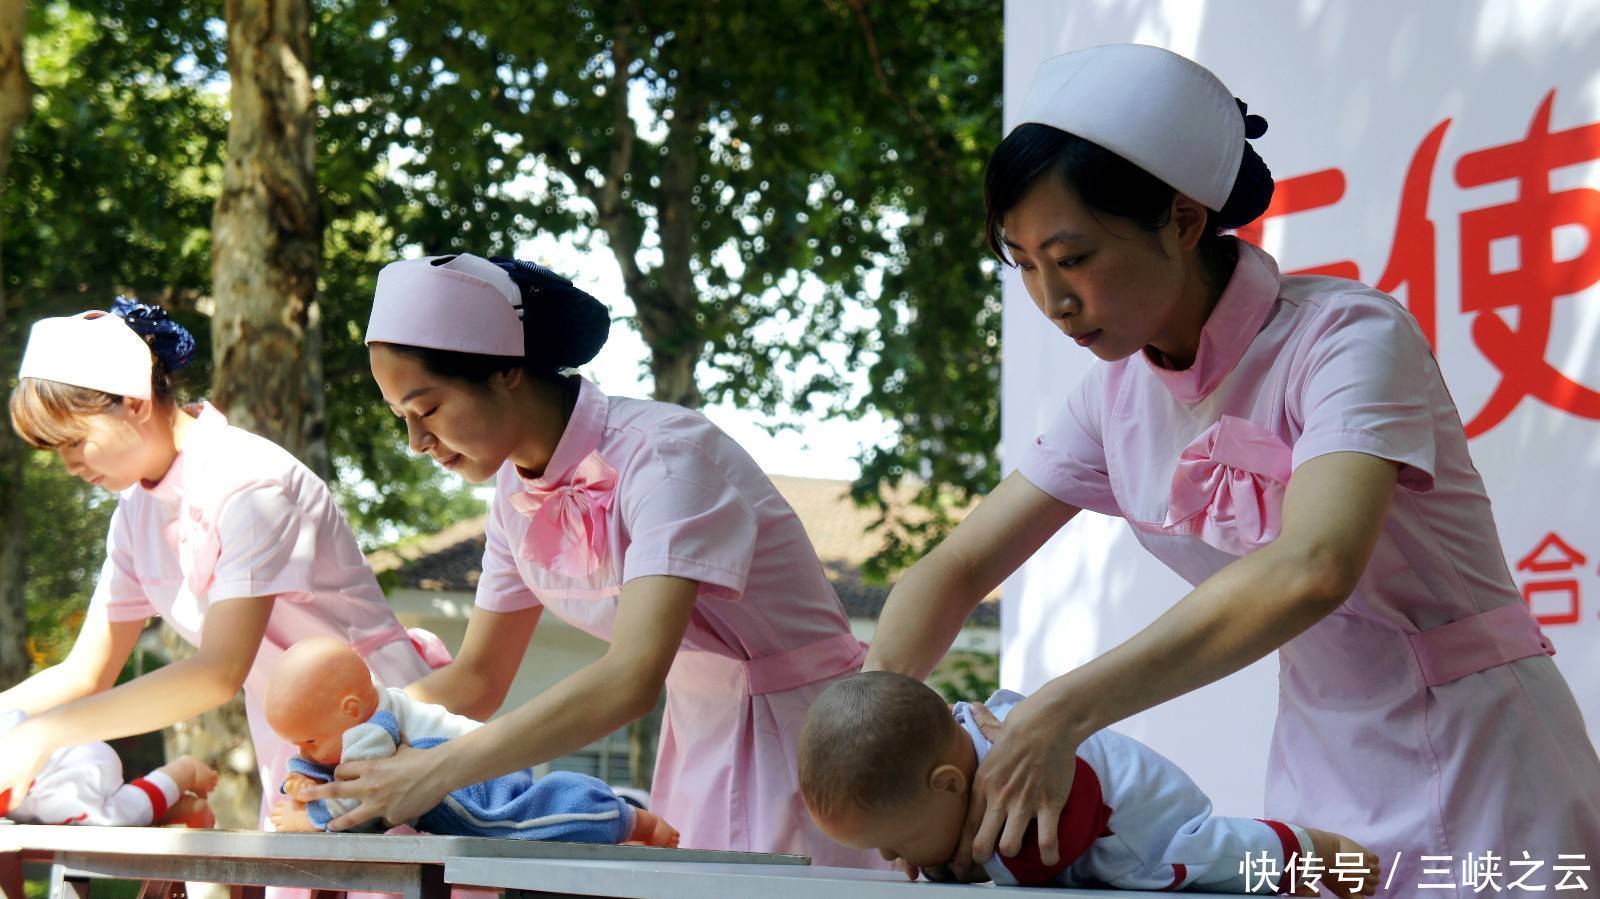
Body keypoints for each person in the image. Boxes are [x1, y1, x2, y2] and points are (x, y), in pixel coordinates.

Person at [863, 43, 1600, 893]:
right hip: (1322, 764)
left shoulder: (1348, 339)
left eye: (1073, 259)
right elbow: (958, 565)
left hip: (1484, 756)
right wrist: (875, 734)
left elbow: (1313, 567)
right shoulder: (1114, 398)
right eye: (1024, 265)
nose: (1052, 300)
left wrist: (1063, 710)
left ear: (1181, 220)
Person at [301, 253, 878, 866]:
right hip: (699, 746)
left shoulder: (668, 458)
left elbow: (630, 678)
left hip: (820, 740)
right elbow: (478, 678)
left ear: (505, 370)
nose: (416, 443)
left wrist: (436, 770)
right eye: (401, 419)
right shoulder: (513, 495)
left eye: (428, 409)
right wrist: (345, 744)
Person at [1, 301, 447, 828]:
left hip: (380, 722)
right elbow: (87, 671)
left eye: (75, 441)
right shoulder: (135, 514)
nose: (70, 464)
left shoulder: (250, 483)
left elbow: (216, 673)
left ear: (135, 402)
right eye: (56, 450)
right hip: (298, 744)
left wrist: (46, 732)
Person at [799, 672, 1379, 895]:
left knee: (1209, 860)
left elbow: (1052, 848)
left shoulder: (1024, 786)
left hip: (1140, 829)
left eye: (895, 843)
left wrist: (964, 862)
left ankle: (1313, 850)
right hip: (1101, 829)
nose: (889, 856)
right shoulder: (944, 741)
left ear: (949, 785)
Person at [265, 637, 678, 846]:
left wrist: (312, 819)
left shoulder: (373, 732)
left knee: (528, 820)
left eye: (309, 742)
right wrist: (303, 780)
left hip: (480, 779)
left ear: (351, 710)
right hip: (452, 773)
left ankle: (621, 817)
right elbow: (329, 768)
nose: (303, 752)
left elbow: (357, 805)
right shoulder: (357, 713)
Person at [0, 708, 218, 828]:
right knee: (91, 825)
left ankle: (185, 771)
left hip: (67, 770)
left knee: (112, 823)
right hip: (55, 762)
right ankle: (174, 808)